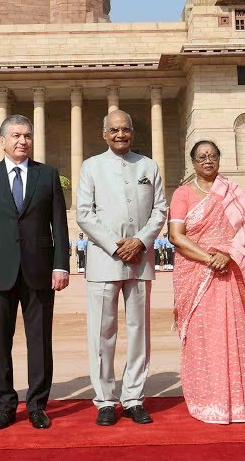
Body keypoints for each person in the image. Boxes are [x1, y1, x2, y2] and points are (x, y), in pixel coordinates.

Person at [0, 114, 71, 431]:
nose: (22, 140)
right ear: (2, 141)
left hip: (39, 268)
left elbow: (60, 225)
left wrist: (61, 264)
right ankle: (5, 404)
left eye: (26, 135)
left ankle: (38, 404)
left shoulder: (48, 175)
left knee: (39, 341)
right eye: (15, 135)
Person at [168, 140, 245, 424]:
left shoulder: (233, 192)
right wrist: (211, 258)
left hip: (230, 273)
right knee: (203, 337)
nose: (207, 160)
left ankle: (240, 403)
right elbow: (176, 236)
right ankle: (207, 401)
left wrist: (228, 254)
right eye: (201, 157)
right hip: (196, 273)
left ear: (219, 159)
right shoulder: (183, 193)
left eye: (212, 156)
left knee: (232, 334)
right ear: (193, 163)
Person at [75, 109, 166, 426]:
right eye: (114, 130)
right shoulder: (91, 167)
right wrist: (116, 244)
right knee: (102, 333)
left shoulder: (148, 166)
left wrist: (139, 241)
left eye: (125, 129)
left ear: (132, 132)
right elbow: (85, 214)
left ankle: (134, 397)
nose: (120, 135)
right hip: (105, 259)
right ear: (104, 133)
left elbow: (159, 210)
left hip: (139, 259)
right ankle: (104, 400)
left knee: (139, 331)